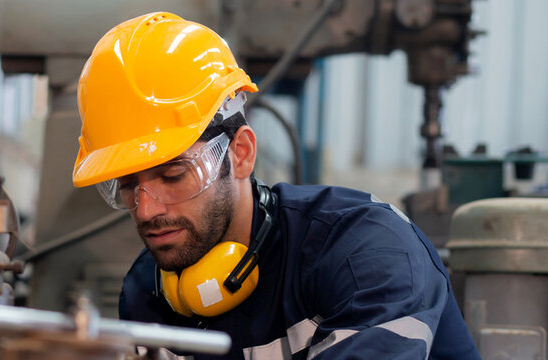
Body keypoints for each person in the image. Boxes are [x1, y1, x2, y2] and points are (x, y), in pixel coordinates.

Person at [71, 12, 479, 360]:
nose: (145, 210)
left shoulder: (367, 254)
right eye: (127, 185)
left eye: (175, 175)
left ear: (241, 154)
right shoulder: (148, 290)